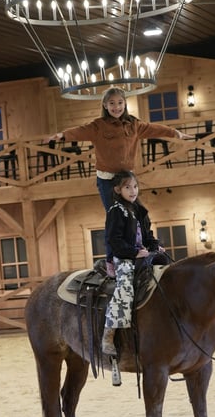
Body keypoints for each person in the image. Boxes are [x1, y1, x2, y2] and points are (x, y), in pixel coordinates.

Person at [51, 86, 193, 276]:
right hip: (108, 181)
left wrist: (175, 133)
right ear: (105, 105)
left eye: (120, 103)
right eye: (112, 103)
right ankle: (111, 260)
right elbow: (80, 131)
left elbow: (154, 129)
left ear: (125, 103)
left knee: (140, 213)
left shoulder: (133, 124)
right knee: (115, 218)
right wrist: (63, 135)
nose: (116, 107)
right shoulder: (98, 126)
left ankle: (149, 246)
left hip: (127, 179)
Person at [101, 170, 163, 356]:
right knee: (125, 289)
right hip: (123, 258)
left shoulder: (139, 210)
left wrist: (155, 246)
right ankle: (109, 333)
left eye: (135, 186)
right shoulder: (115, 211)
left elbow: (147, 235)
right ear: (118, 190)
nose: (133, 191)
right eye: (127, 187)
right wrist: (134, 253)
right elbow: (114, 240)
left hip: (142, 254)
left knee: (165, 270)